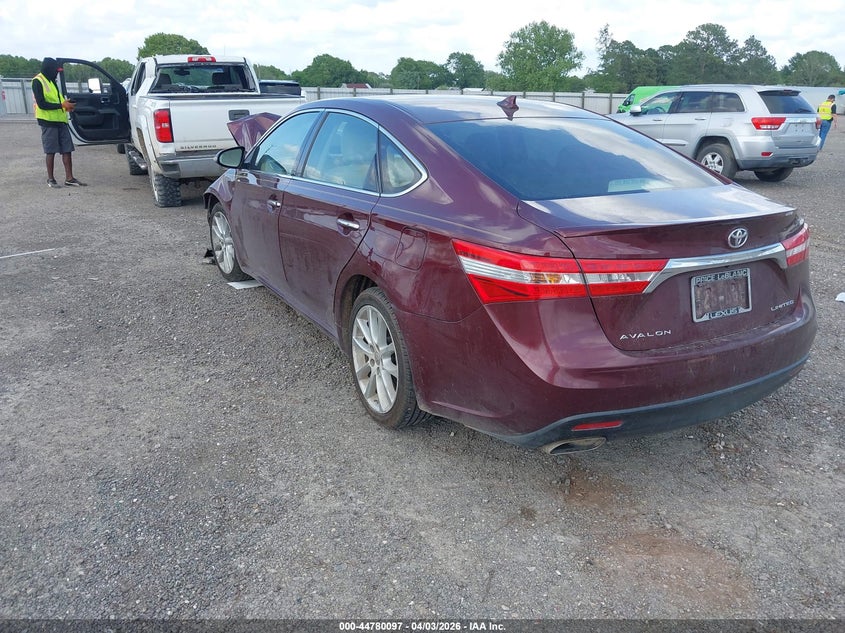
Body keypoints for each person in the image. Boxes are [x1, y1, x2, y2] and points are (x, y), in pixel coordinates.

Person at [32, 57, 87, 188]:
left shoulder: (52, 81)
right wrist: (61, 105)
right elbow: (42, 104)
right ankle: (51, 179)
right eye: (55, 70)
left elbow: (58, 100)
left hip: (60, 121)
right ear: (49, 69)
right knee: (50, 151)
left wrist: (67, 105)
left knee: (67, 150)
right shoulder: (37, 81)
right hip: (47, 121)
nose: (57, 72)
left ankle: (70, 178)